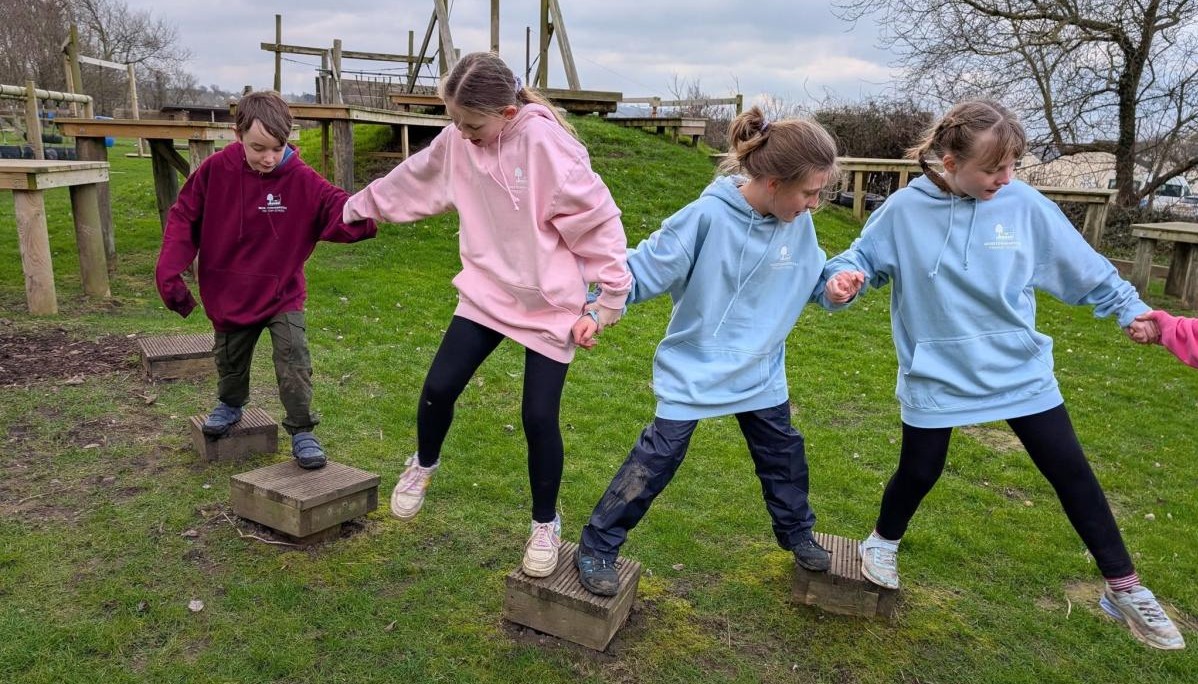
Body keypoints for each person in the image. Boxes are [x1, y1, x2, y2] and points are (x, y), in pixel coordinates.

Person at [823, 99, 1185, 650]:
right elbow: (860, 259)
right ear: (948, 162)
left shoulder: (1024, 205)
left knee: (1071, 472)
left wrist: (1131, 311)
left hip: (1018, 370)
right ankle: (882, 543)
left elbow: (1084, 268)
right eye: (992, 169)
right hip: (937, 373)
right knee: (920, 471)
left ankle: (1124, 586)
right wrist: (843, 279)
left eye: (1012, 166)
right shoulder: (902, 212)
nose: (1005, 178)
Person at [341, 52, 631, 578]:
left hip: (548, 303)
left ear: (506, 111)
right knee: (439, 386)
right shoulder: (459, 140)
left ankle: (545, 523)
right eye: (453, 121)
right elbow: (417, 177)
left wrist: (609, 301)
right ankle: (423, 465)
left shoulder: (547, 147)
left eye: (471, 124)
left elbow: (599, 224)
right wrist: (359, 206)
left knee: (538, 417)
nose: (461, 134)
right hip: (486, 290)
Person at [572, 107, 863, 597]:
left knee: (783, 456)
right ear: (772, 181)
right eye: (810, 192)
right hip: (697, 369)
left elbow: (811, 279)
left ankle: (797, 534)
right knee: (656, 459)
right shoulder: (707, 216)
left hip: (761, 372)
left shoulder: (799, 223)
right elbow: (644, 269)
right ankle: (598, 544)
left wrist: (833, 289)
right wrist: (597, 303)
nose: (815, 204)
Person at [155, 91, 377, 470]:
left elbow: (339, 210)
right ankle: (230, 403)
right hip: (228, 290)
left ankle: (303, 429)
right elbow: (183, 218)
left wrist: (373, 208)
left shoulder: (300, 179)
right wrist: (170, 269)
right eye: (258, 147)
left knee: (294, 356)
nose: (269, 158)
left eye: (278, 147)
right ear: (236, 133)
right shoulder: (213, 171)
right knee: (230, 358)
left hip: (281, 291)